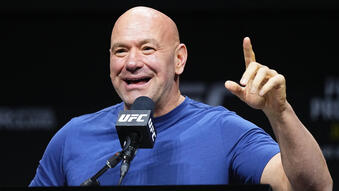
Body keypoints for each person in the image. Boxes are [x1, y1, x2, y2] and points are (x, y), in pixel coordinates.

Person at [29, 6, 332, 190]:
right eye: (121, 51)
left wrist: (281, 113)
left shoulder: (223, 130)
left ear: (179, 60)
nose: (132, 62)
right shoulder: (72, 137)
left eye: (148, 49)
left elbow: (314, 187)